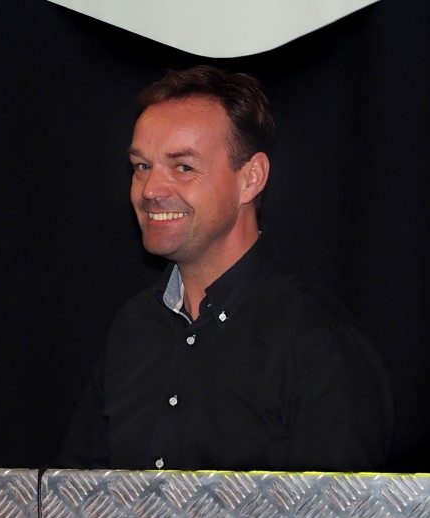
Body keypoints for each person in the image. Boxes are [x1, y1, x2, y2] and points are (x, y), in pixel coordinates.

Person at [56, 64, 394, 473]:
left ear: (250, 178)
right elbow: (73, 500)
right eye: (142, 166)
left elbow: (341, 514)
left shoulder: (322, 346)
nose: (151, 190)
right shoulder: (132, 328)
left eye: (183, 166)